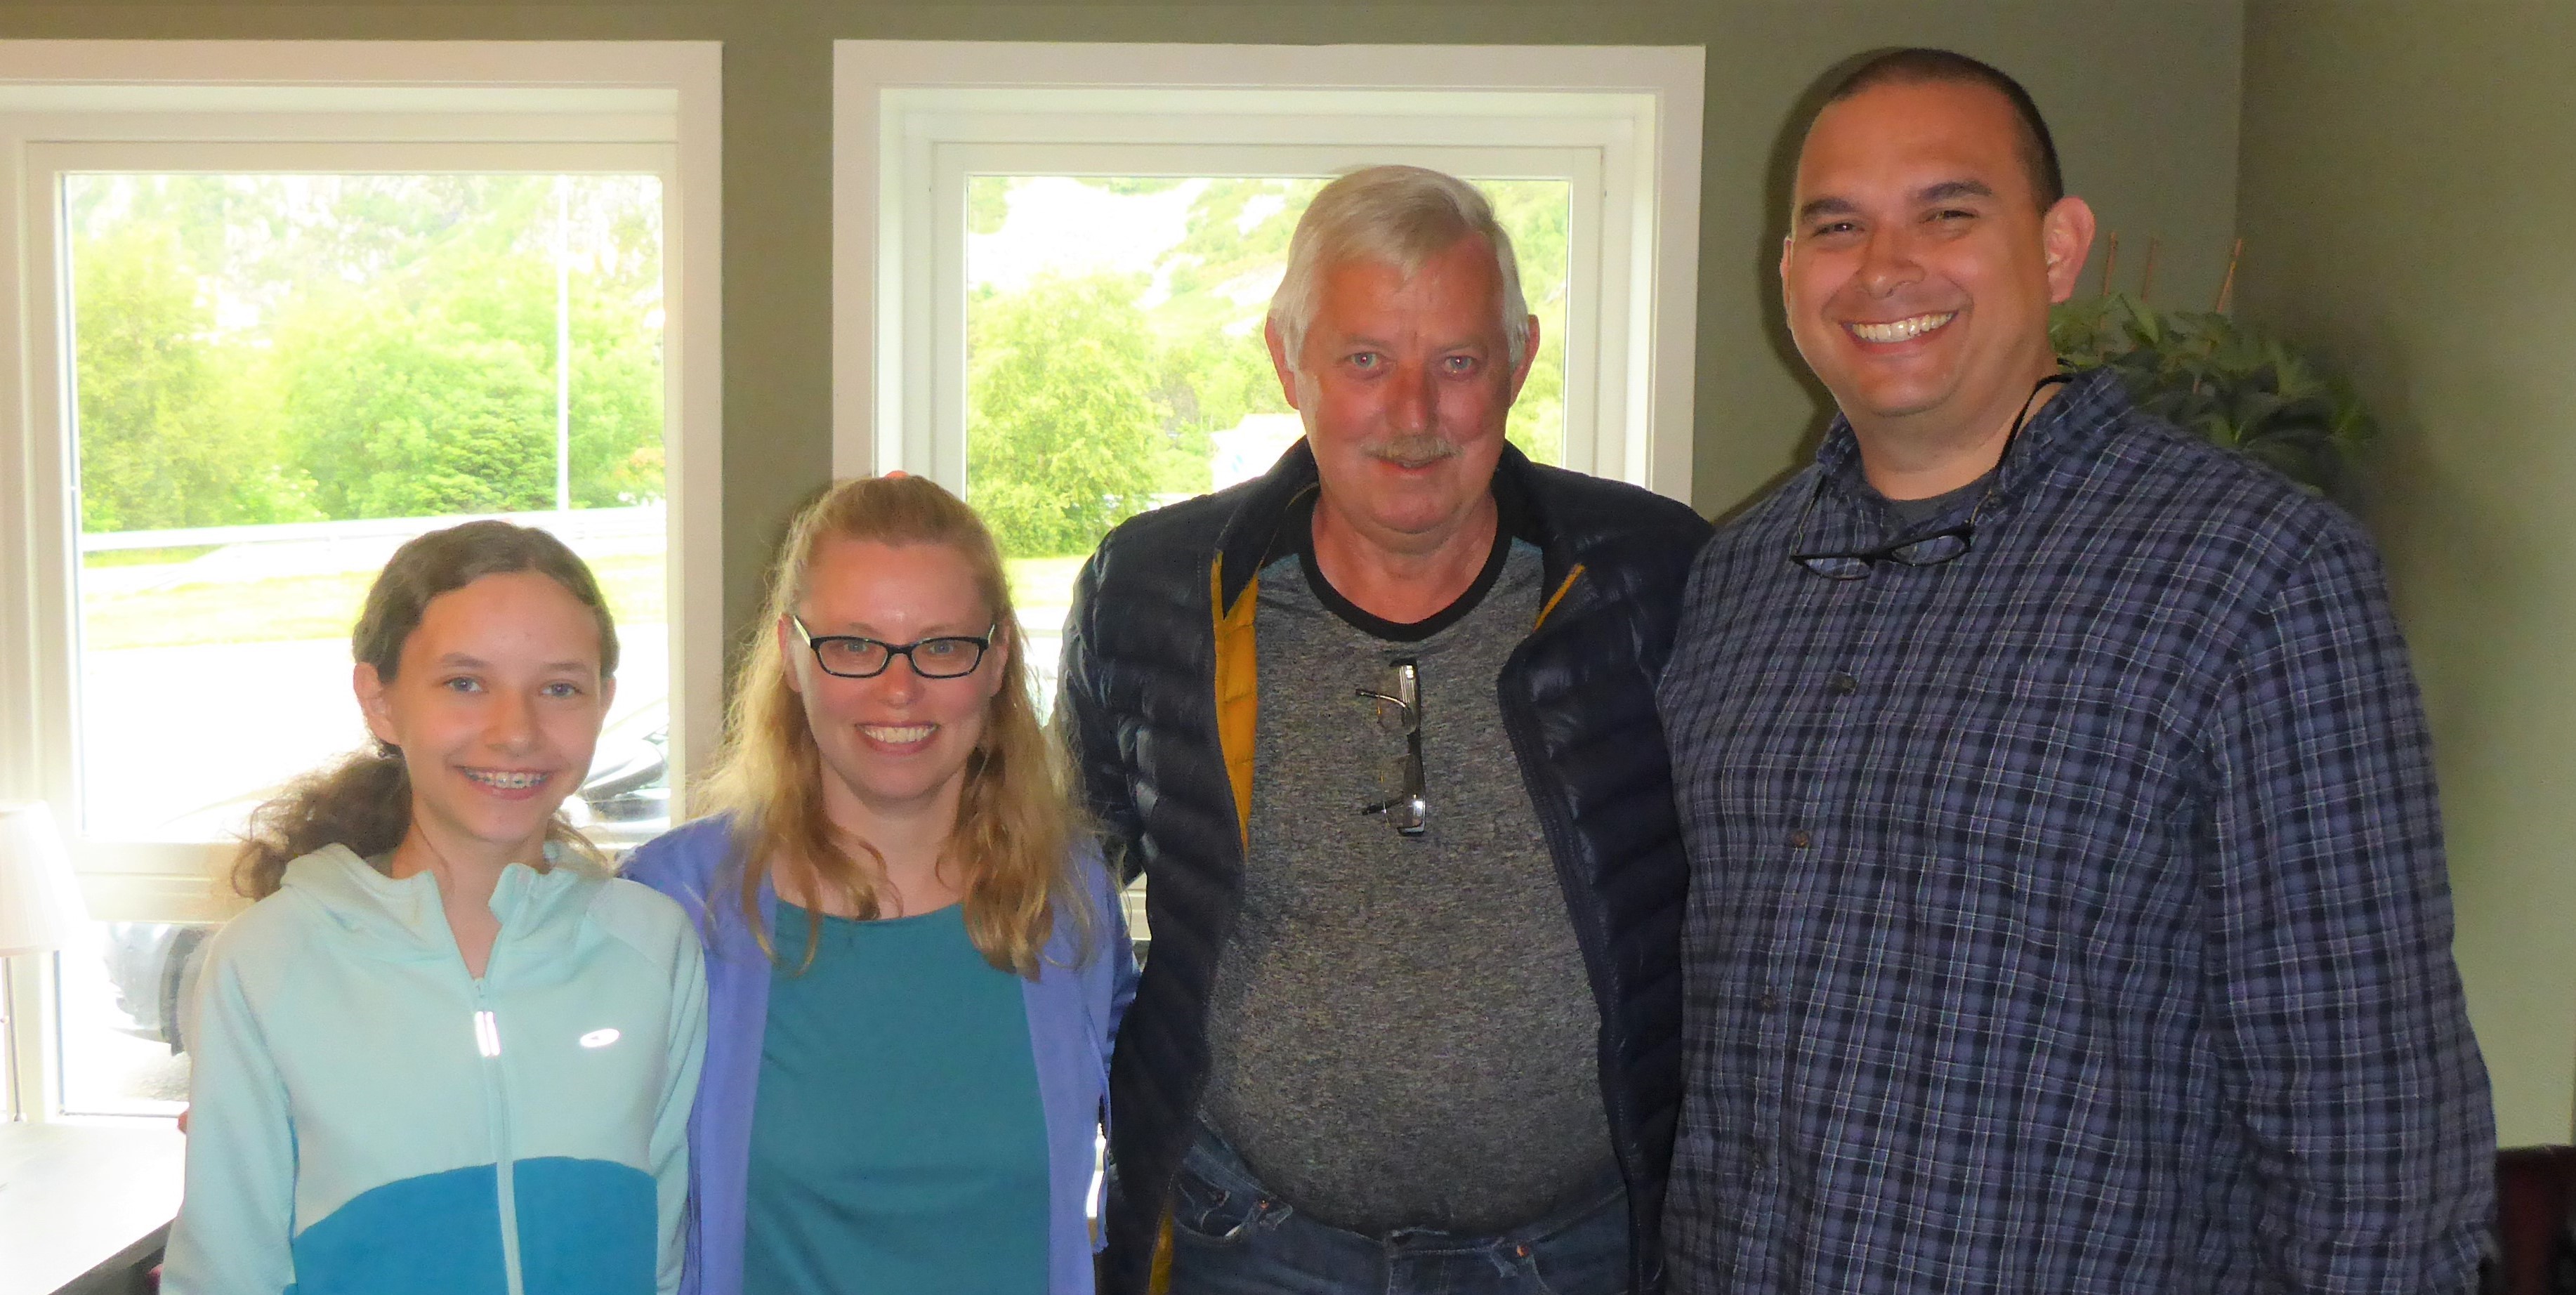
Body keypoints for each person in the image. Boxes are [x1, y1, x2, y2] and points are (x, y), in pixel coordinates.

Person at [1655, 48, 2493, 1293]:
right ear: (1785, 270)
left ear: (2055, 248)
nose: (1882, 267)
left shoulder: (2255, 571)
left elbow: (2364, 1102)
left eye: (1946, 212)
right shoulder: (1735, 578)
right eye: (1834, 226)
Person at [1059, 164, 1711, 1295]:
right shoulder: (1155, 589)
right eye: (1367, 361)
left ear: (1518, 359)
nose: (1413, 415)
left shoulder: (1653, 580)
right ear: (1288, 360)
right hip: (1242, 1242)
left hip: (1579, 1251)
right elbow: (1052, 883)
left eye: (1457, 362)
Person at [162, 520, 707, 1295]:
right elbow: (223, 1267)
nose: (515, 731)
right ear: (381, 701)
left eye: (559, 687)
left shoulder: (651, 944)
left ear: (602, 703)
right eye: (464, 682)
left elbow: (658, 1241)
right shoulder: (270, 959)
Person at [622, 474, 1133, 1295]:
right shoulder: (676, 905)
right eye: (854, 645)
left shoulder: (1066, 902)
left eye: (941, 646)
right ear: (792, 654)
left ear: (997, 658)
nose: (899, 688)